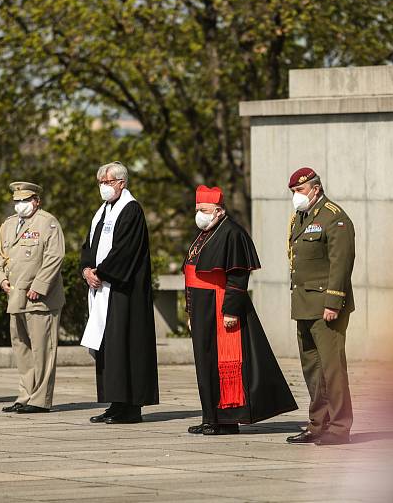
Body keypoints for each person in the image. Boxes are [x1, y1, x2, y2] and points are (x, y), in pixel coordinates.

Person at [184, 185, 297, 436]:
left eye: (204, 209)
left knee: (222, 362)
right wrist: (189, 311)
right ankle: (210, 416)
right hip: (201, 306)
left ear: (219, 210)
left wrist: (231, 311)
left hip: (220, 305)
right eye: (197, 210)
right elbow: (191, 274)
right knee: (205, 363)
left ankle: (225, 420)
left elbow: (237, 276)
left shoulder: (232, 233)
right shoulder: (204, 233)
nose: (199, 214)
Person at [80, 162, 159, 424]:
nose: (103, 186)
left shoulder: (131, 210)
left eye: (108, 181)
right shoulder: (102, 211)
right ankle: (114, 403)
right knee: (108, 349)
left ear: (122, 183)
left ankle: (131, 407)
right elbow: (88, 245)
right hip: (103, 289)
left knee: (125, 347)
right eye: (100, 182)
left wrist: (101, 273)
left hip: (125, 292)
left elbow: (126, 251)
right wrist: (86, 270)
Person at [285, 168, 355, 446]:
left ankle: (339, 427)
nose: (296, 197)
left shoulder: (334, 217)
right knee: (312, 368)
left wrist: (333, 302)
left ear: (315, 189)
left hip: (327, 304)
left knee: (332, 368)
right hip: (304, 303)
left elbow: (341, 262)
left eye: (300, 191)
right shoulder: (300, 218)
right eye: (293, 192)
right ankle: (318, 423)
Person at [0, 182, 65, 414]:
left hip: (39, 298)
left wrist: (40, 285)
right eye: (17, 201)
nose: (20, 205)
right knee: (22, 348)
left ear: (37, 201)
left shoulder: (48, 222)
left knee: (42, 349)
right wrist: (0, 278)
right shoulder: (8, 224)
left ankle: (40, 399)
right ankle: (25, 395)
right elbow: (0, 256)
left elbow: (54, 257)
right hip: (15, 295)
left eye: (25, 200)